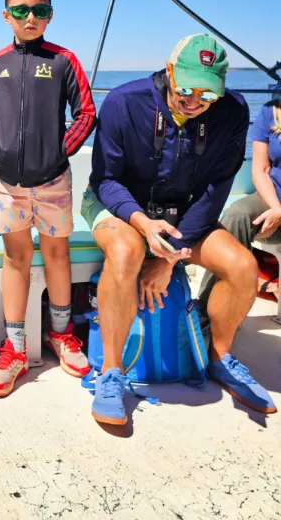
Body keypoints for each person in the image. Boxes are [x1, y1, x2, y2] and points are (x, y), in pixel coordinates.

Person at [82, 33, 276, 426]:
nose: (194, 101)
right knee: (126, 252)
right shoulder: (123, 101)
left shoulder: (233, 111)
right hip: (120, 207)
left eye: (208, 94)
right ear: (169, 71)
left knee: (241, 266)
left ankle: (220, 358)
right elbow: (105, 179)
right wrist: (141, 223)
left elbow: (217, 186)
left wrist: (172, 255)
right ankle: (111, 374)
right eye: (185, 88)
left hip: (184, 217)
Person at [0, 0, 96, 397]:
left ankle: (61, 334)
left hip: (55, 180)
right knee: (16, 259)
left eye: (39, 10)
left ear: (50, 15)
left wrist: (59, 153)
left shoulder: (63, 60)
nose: (30, 17)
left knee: (57, 254)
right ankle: (17, 348)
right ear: (6, 15)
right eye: (21, 10)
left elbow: (85, 113)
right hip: (6, 184)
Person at [219, 98, 281, 250]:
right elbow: (261, 170)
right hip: (273, 200)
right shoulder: (270, 111)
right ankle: (226, 273)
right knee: (237, 215)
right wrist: (277, 209)